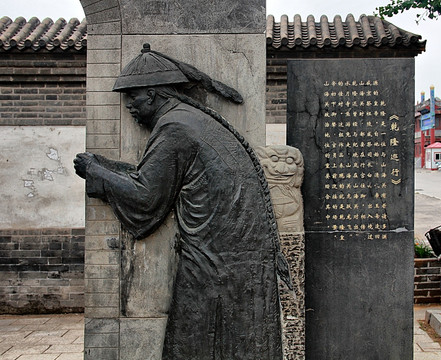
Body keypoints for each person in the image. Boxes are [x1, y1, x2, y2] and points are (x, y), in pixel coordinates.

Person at [74, 44, 289, 359]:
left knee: (193, 344)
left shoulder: (174, 127)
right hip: (233, 256)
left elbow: (147, 198)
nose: (129, 105)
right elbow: (156, 179)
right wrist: (109, 170)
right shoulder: (188, 119)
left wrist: (97, 173)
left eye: (133, 96)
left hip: (215, 261)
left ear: (154, 94)